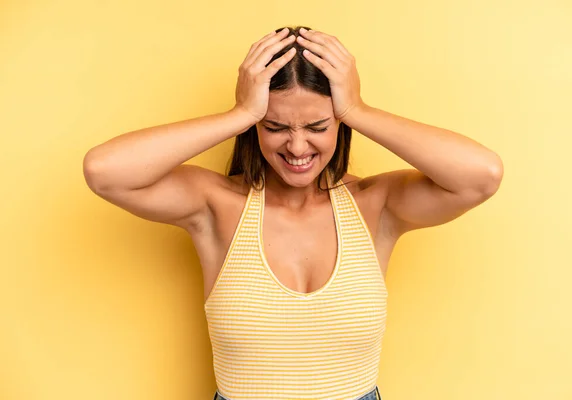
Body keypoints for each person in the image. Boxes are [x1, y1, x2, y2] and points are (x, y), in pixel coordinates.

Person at [83, 25, 503, 400]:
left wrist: (358, 110)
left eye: (318, 127)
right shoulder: (215, 205)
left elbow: (481, 175)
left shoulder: (376, 206)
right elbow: (105, 171)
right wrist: (241, 113)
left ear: (339, 123)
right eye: (276, 127)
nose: (298, 148)